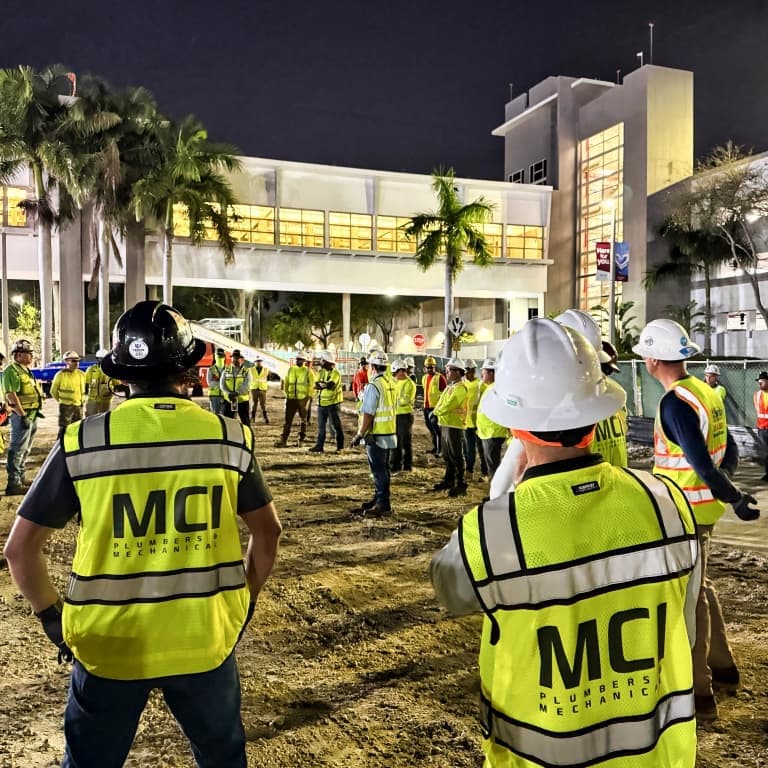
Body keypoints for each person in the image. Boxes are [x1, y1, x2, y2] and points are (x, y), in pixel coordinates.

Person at [3, 300, 282, 768]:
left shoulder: (84, 442)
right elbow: (268, 534)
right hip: (205, 638)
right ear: (189, 370)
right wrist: (242, 601)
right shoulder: (230, 437)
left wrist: (55, 621)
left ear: (120, 375)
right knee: (221, 759)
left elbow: (20, 551)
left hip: (107, 644)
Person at [430, 317, 701, 768]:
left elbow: (449, 588)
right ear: (596, 416)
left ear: (516, 428)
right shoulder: (667, 503)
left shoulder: (492, 530)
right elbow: (684, 625)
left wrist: (507, 499)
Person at [633, 317, 759, 722]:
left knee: (690, 599)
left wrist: (734, 495)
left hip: (683, 510)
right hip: (703, 508)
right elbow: (728, 452)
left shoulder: (674, 402)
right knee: (700, 585)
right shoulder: (705, 392)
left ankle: (699, 691)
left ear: (653, 359)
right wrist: (728, 491)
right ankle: (723, 667)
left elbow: (702, 463)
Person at [351, 350, 396, 517]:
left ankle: (383, 505)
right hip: (389, 432)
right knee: (383, 470)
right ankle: (379, 499)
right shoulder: (390, 383)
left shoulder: (374, 386)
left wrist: (360, 434)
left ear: (373, 367)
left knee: (378, 471)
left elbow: (369, 413)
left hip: (376, 434)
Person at [3, 339, 45, 496]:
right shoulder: (12, 371)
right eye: (29, 353)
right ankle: (13, 484)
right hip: (22, 416)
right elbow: (11, 396)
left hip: (32, 415)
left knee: (25, 449)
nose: (32, 356)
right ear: (19, 354)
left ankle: (20, 477)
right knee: (17, 449)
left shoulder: (25, 371)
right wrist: (22, 416)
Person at [431, 358, 468, 497]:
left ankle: (460, 484)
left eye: (450, 370)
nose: (447, 372)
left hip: (455, 425)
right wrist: (436, 413)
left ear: (459, 372)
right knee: (448, 455)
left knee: (456, 455)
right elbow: (441, 402)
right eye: (447, 370)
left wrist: (436, 413)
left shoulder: (460, 388)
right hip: (446, 424)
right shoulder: (450, 387)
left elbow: (450, 404)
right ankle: (449, 480)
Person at [475, 358, 507, 479]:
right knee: (492, 464)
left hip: (492, 433)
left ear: (492, 373)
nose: (482, 374)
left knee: (493, 465)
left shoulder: (496, 389)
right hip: (488, 432)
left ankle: (495, 493)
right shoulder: (491, 387)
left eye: (484, 371)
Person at [275, 350, 312, 447]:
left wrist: (308, 398)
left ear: (304, 361)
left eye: (300, 360)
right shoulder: (291, 370)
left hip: (302, 399)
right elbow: (286, 383)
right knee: (288, 420)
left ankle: (301, 440)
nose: (298, 361)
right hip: (291, 399)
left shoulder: (308, 372)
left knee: (303, 420)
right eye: (298, 359)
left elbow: (312, 386)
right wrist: (286, 394)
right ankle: (284, 440)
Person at [309, 351, 344, 453]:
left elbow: (330, 385)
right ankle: (319, 446)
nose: (320, 362)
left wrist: (322, 385)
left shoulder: (336, 373)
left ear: (327, 362)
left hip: (333, 404)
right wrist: (323, 385)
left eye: (322, 360)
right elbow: (316, 385)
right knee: (321, 427)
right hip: (321, 404)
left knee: (336, 426)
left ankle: (340, 447)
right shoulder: (321, 372)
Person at [462, 359, 488, 480]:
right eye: (467, 371)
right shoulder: (462, 384)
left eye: (471, 371)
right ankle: (469, 470)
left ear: (474, 371)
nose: (469, 374)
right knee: (469, 449)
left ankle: (485, 472)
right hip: (467, 423)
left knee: (482, 449)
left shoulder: (480, 385)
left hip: (479, 423)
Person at [389, 358, 415, 473]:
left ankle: (407, 466)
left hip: (404, 416)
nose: (395, 375)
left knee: (405, 442)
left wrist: (392, 400)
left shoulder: (409, 384)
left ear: (401, 371)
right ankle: (395, 465)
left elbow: (404, 400)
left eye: (396, 373)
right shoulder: (395, 381)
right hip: (395, 415)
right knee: (395, 442)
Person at [50, 351, 86, 428]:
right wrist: (62, 401)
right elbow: (53, 391)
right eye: (73, 361)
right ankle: (61, 440)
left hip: (79, 406)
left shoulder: (81, 374)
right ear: (66, 361)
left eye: (77, 360)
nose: (76, 363)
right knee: (64, 429)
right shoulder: (60, 375)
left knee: (77, 428)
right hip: (66, 407)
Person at [422, 356, 446, 456]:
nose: (429, 369)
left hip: (435, 408)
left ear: (434, 367)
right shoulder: (424, 378)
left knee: (437, 430)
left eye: (431, 367)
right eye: (428, 367)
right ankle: (435, 447)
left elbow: (445, 393)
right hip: (426, 408)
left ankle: (440, 450)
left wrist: (440, 407)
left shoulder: (440, 378)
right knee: (431, 429)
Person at [84, 349, 117, 416]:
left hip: (106, 400)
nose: (102, 360)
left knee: (103, 418)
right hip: (92, 399)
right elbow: (86, 384)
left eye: (103, 358)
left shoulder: (111, 370)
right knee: (90, 417)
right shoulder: (91, 369)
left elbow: (117, 383)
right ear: (97, 359)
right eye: (100, 358)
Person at [221, 350, 251, 422]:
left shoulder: (246, 371)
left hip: (242, 401)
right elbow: (222, 384)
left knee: (245, 421)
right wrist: (229, 393)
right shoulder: (226, 370)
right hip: (229, 400)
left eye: (237, 358)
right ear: (231, 358)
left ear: (241, 359)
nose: (236, 359)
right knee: (228, 421)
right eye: (234, 357)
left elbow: (247, 384)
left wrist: (237, 392)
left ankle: (247, 433)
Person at [754, 370, 768, 481]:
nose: (759, 383)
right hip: (762, 429)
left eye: (762, 381)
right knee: (765, 452)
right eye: (759, 381)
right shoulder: (757, 395)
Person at [249, 354, 270, 424]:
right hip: (254, 388)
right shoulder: (250, 370)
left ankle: (265, 417)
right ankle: (253, 418)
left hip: (262, 389)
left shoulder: (266, 370)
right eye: (257, 361)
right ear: (254, 362)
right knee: (254, 404)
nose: (258, 362)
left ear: (262, 362)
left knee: (263, 404)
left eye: (260, 361)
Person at [206, 348, 227, 416]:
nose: (220, 357)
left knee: (225, 416)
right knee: (215, 415)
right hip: (214, 395)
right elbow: (209, 382)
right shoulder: (211, 369)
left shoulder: (228, 369)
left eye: (222, 355)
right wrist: (223, 383)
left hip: (225, 396)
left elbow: (231, 382)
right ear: (215, 356)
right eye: (219, 355)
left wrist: (218, 381)